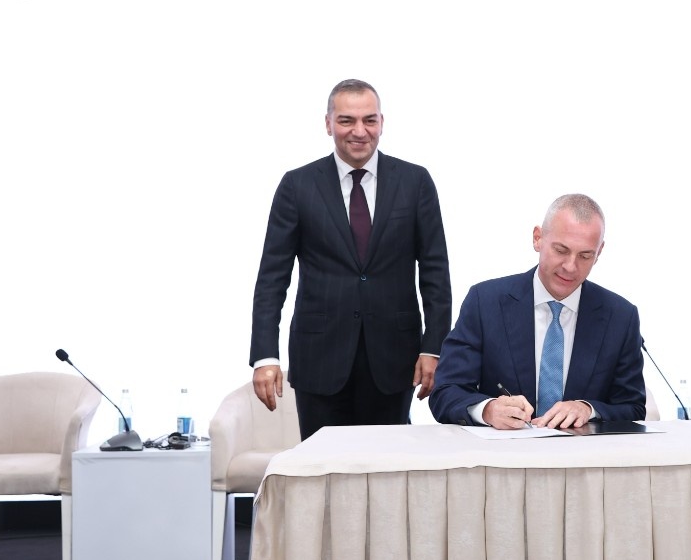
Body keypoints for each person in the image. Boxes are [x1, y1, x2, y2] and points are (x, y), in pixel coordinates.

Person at [249, 80, 452, 437]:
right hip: (318, 358)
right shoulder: (297, 186)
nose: (359, 131)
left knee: (386, 465)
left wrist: (434, 347)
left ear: (382, 122)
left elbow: (435, 272)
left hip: (394, 359)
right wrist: (265, 356)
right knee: (322, 466)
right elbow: (272, 279)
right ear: (328, 123)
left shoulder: (415, 182)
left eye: (369, 120)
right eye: (347, 120)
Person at [429, 194, 646, 429]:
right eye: (561, 250)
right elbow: (446, 391)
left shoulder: (621, 317)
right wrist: (488, 410)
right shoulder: (485, 302)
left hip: (583, 451)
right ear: (537, 238)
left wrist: (588, 409)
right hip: (503, 450)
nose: (570, 267)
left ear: (599, 252)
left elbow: (633, 407)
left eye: (585, 256)